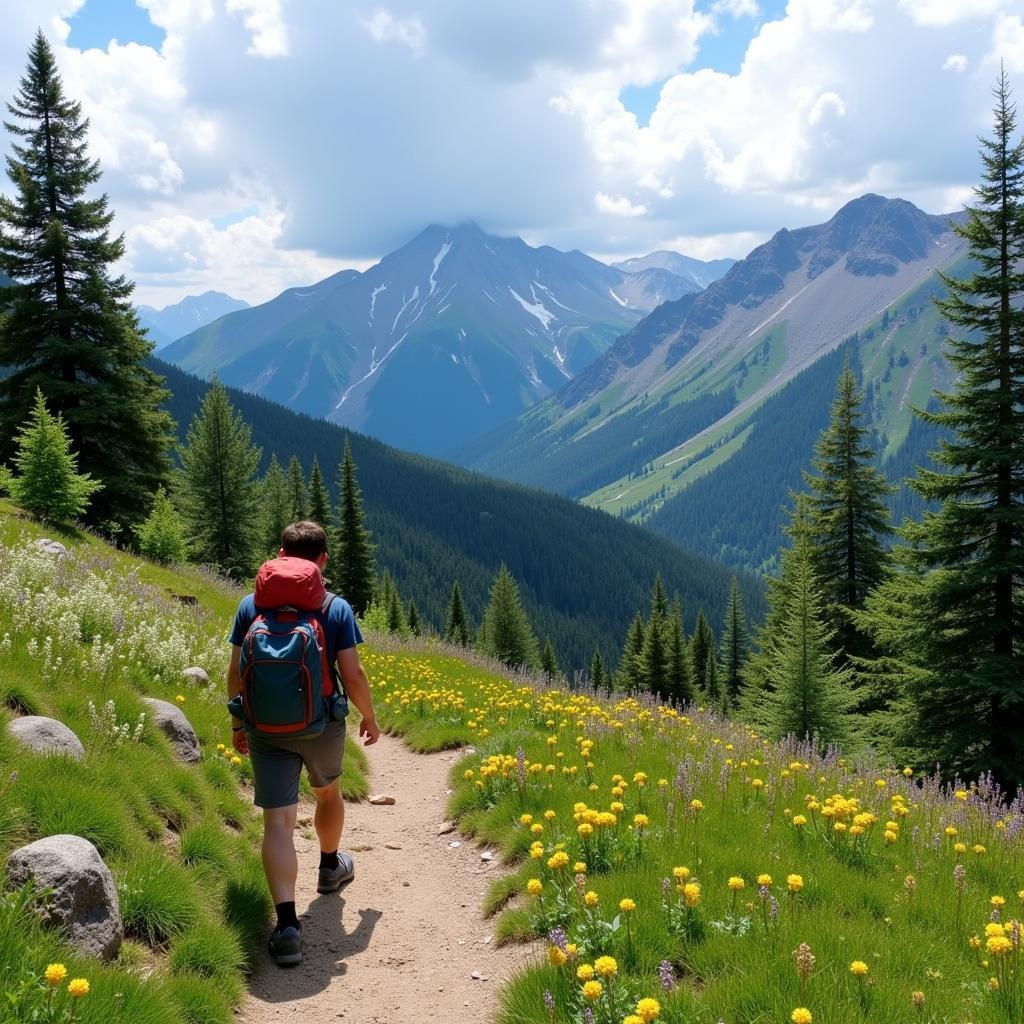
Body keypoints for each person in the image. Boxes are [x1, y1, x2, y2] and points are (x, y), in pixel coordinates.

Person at [227, 520, 381, 967]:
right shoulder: (334, 608)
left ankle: (288, 926)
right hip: (321, 727)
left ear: (280, 553)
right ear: (323, 560)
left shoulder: (250, 605)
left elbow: (237, 672)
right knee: (327, 792)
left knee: (277, 823)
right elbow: (351, 674)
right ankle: (330, 867)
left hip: (264, 729)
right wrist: (369, 717)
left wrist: (239, 721)